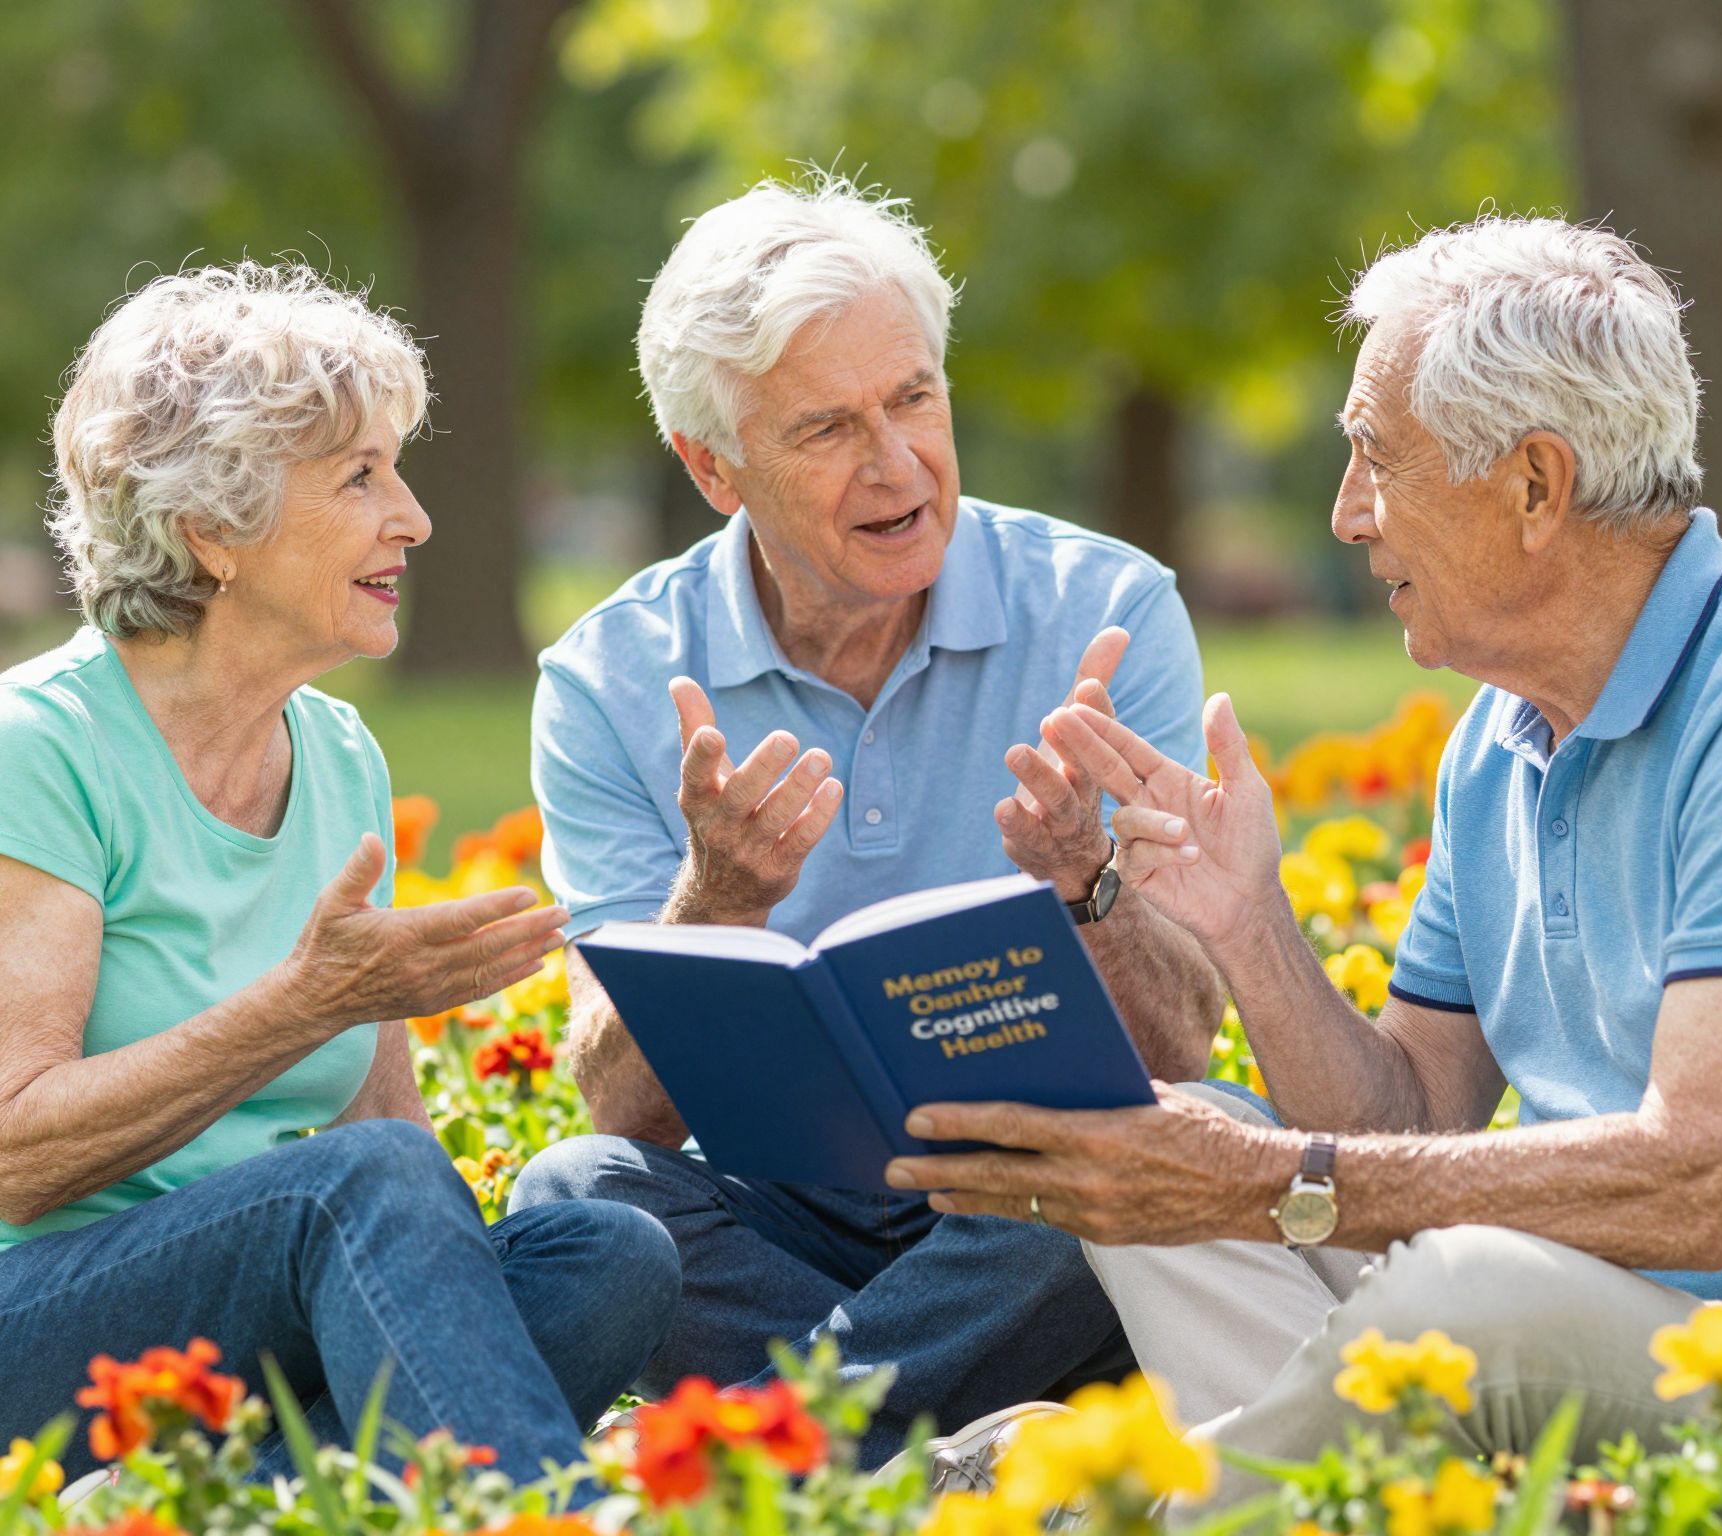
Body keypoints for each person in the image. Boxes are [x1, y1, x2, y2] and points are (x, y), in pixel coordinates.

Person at [884, 218, 1722, 1493]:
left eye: (1375, 458)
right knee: (1169, 1135)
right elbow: (1408, 1121)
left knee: (1462, 1294)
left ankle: (1124, 1511)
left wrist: (1268, 1178)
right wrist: (1247, 927)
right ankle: (1308, 1502)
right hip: (1595, 1345)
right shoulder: (1498, 736)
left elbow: (1697, 1187)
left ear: (1534, 485)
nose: (1344, 515)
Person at [510, 173, 1223, 1467]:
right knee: (578, 1197)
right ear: (711, 467)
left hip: (1035, 1192)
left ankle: (767, 1455)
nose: (896, 464)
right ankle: (950, 1431)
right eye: (827, 428)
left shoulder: (1106, 612)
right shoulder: (610, 678)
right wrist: (718, 899)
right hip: (784, 1206)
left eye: (912, 398)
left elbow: (1181, 1044)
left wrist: (1086, 881)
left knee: (1152, 1171)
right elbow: (620, 1112)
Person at [0, 264, 682, 1487]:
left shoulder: (339, 754)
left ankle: (214, 1501)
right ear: (212, 527)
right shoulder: (40, 747)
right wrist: (304, 1005)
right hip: (44, 1321)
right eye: (360, 477)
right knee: (354, 1191)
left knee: (611, 1257)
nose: (412, 517)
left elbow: (385, 1131)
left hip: (253, 1326)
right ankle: (537, 1512)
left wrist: (437, 1295)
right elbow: (17, 1155)